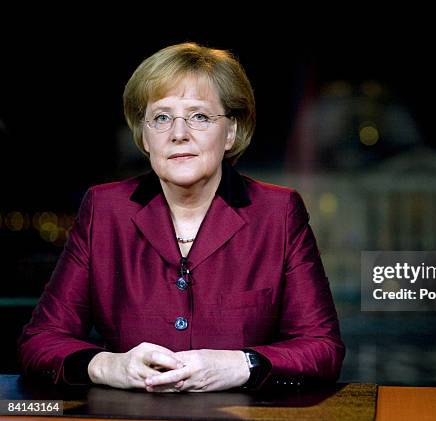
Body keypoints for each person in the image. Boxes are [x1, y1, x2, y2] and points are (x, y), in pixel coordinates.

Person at [17, 42, 345, 392]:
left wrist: (240, 363)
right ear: (144, 135)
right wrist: (109, 365)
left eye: (199, 116)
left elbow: (322, 349)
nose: (178, 133)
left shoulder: (278, 213)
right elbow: (41, 341)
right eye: (161, 117)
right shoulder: (104, 209)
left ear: (231, 132)